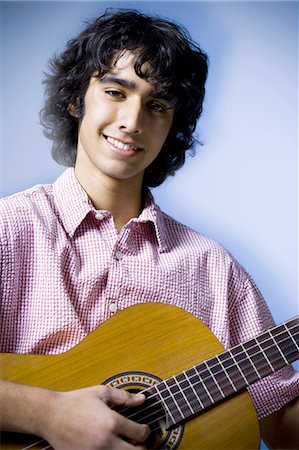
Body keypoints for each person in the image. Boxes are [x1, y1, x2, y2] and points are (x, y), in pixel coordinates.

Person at [0, 9, 298, 450]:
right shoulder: (9, 231)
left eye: (157, 105)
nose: (132, 120)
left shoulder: (213, 270)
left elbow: (281, 424)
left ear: (172, 126)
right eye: (116, 91)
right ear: (75, 99)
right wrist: (48, 414)